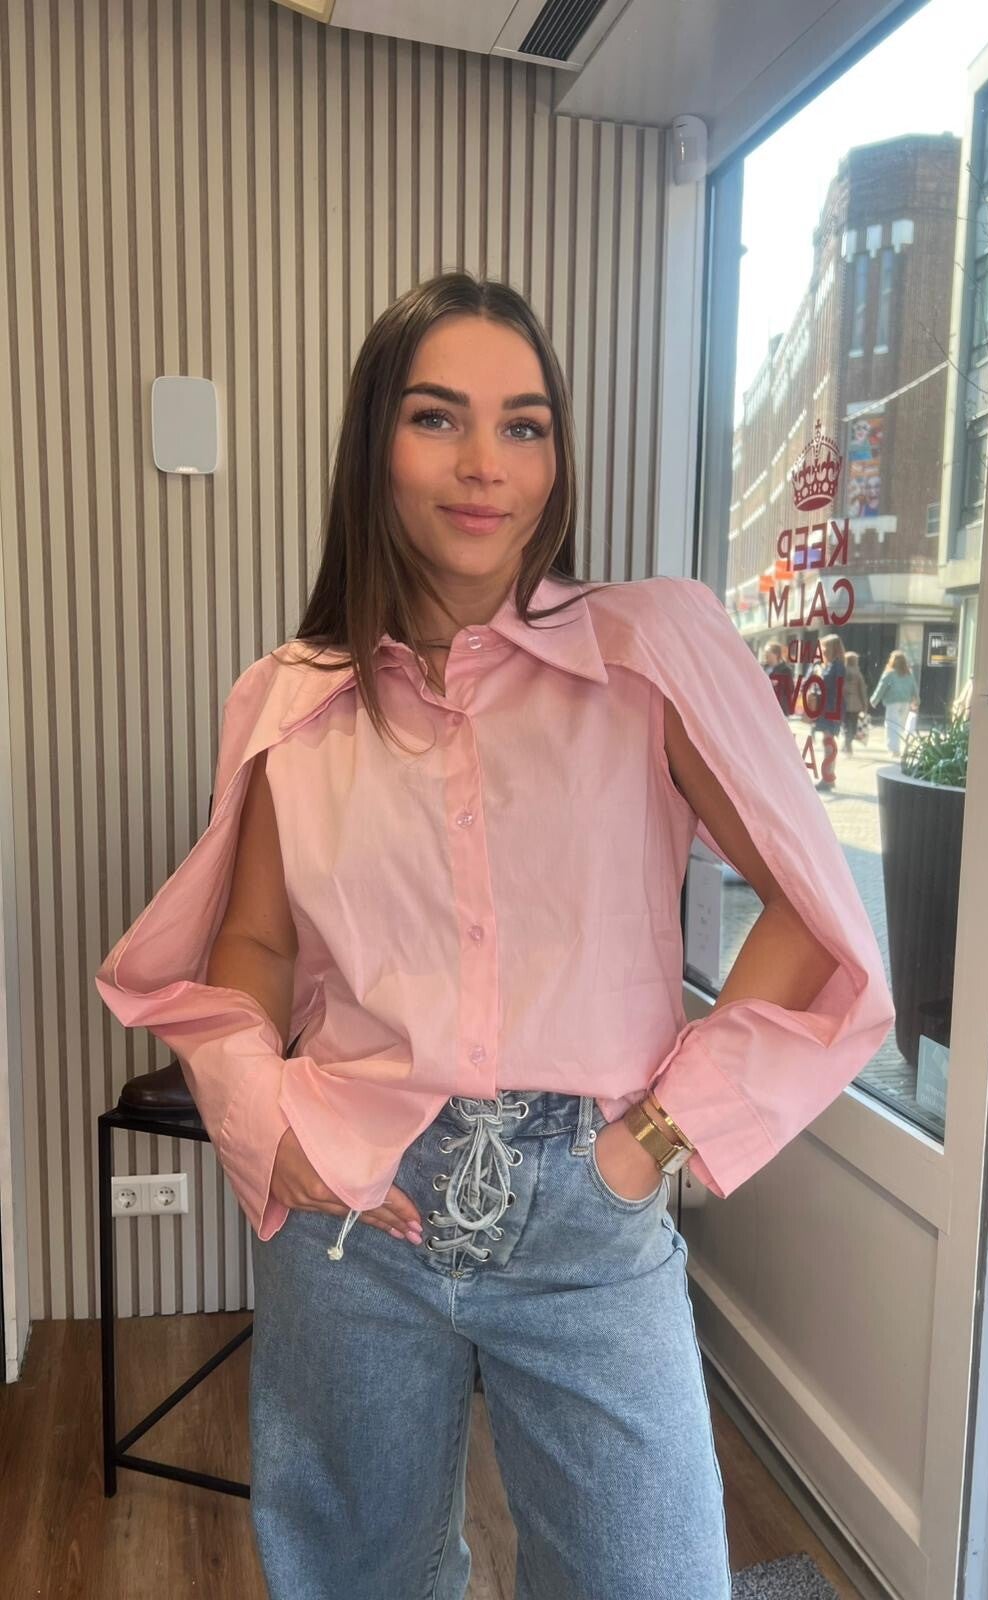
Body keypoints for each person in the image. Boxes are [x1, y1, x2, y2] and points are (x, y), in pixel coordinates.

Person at [94, 273, 894, 1600]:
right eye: (437, 418)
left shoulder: (648, 652)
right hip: (354, 1210)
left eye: (525, 424)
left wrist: (649, 1144)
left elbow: (815, 918)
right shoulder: (291, 699)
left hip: (592, 1208)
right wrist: (260, 1117)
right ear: (376, 445)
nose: (486, 463)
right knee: (357, 1578)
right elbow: (255, 944)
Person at [809, 633, 846, 791]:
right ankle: (828, 777)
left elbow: (837, 688)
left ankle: (828, 778)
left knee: (828, 741)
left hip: (831, 708)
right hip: (828, 707)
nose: (822, 650)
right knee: (828, 741)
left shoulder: (837, 666)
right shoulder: (831, 665)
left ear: (831, 649)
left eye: (824, 647)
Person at [871, 648, 920, 757]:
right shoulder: (908, 674)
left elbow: (881, 687)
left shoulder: (889, 673)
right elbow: (914, 687)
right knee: (899, 726)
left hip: (892, 702)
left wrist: (874, 700)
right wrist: (917, 699)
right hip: (905, 702)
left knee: (892, 725)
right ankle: (897, 747)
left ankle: (894, 749)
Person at [842, 650, 869, 754]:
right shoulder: (858, 674)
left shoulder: (842, 672)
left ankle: (846, 743)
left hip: (844, 703)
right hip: (855, 704)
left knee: (845, 725)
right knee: (853, 725)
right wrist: (865, 705)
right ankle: (848, 743)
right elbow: (862, 690)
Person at [762, 640, 795, 717]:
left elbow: (790, 689)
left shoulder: (785, 670)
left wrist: (777, 683)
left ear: (776, 654)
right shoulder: (762, 668)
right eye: (765, 652)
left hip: (778, 708)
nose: (765, 654)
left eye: (767, 652)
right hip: (764, 707)